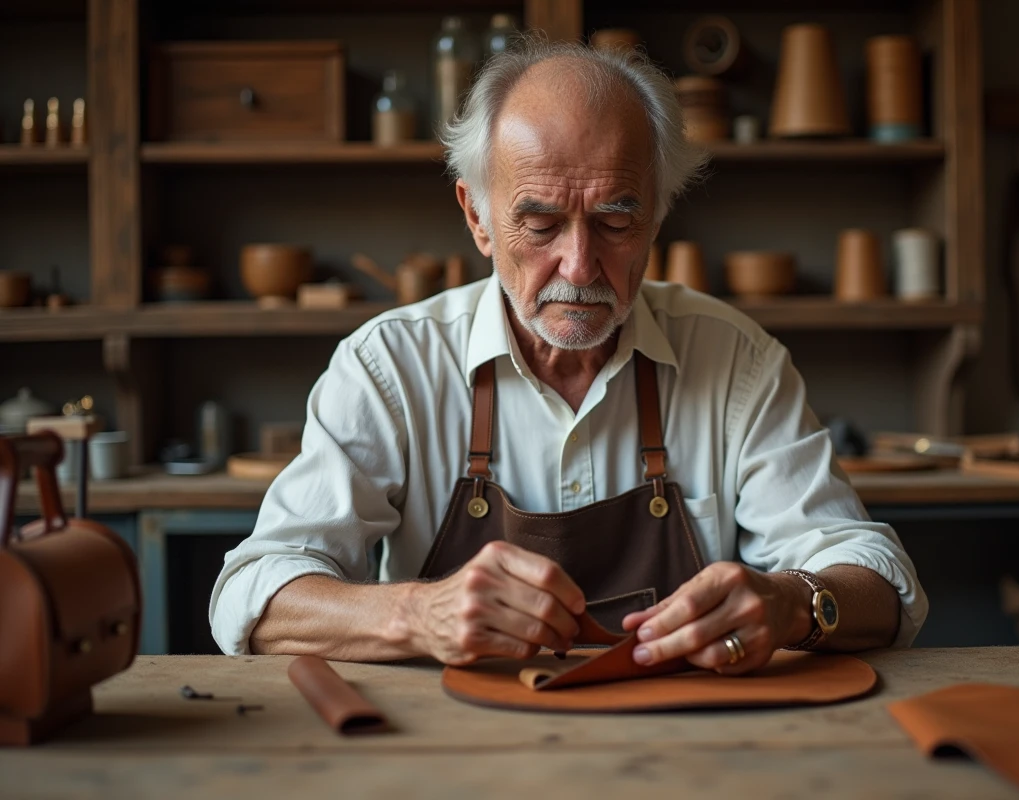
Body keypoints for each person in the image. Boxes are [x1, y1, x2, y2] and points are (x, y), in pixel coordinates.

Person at [210, 39, 927, 672]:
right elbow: (253, 594)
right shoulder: (390, 368)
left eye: (615, 219)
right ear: (477, 217)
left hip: (688, 742)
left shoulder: (738, 361)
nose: (579, 267)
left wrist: (794, 602)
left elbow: (881, 581)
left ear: (657, 214)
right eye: (541, 223)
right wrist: (415, 615)